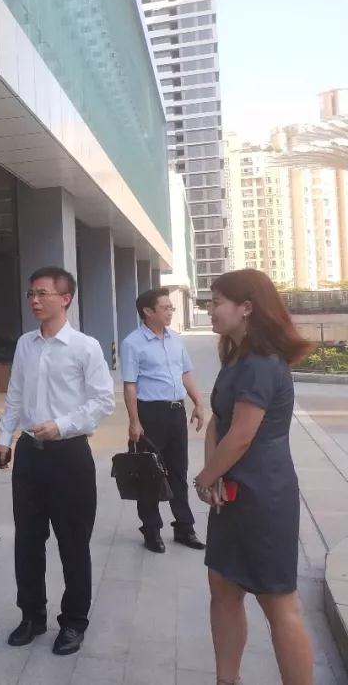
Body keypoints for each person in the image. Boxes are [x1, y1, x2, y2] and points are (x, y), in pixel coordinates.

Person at [195, 269, 314, 685]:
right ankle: (226, 680)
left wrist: (204, 478)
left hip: (263, 496)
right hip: (230, 493)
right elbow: (219, 421)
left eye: (216, 302)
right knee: (223, 588)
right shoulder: (236, 359)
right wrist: (212, 474)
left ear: (246, 308)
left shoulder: (262, 364)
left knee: (277, 602)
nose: (210, 310)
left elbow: (243, 434)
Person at [0, 267, 114, 656]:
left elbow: (103, 401)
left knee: (73, 543)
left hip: (70, 456)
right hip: (30, 454)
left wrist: (61, 425)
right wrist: (4, 440)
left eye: (42, 293)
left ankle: (74, 622)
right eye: (31, 293)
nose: (34, 300)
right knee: (28, 541)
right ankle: (31, 616)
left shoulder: (85, 347)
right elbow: (14, 394)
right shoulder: (25, 344)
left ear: (65, 299)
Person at [120, 287, 207, 554]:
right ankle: (151, 530)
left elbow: (186, 373)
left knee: (179, 472)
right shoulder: (133, 343)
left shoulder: (175, 339)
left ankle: (184, 527)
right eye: (165, 308)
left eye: (171, 307)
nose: (170, 312)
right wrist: (134, 422)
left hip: (175, 413)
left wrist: (198, 402)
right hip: (150, 414)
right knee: (149, 473)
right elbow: (130, 385)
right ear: (148, 312)